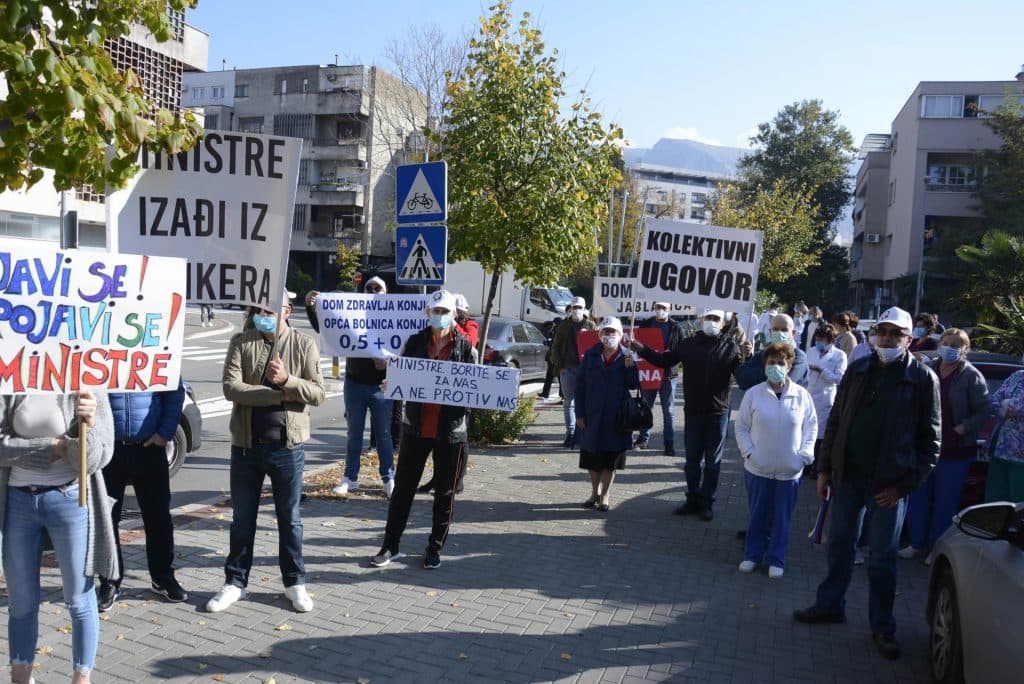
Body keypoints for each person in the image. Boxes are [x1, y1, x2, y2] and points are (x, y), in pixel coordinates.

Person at [793, 306, 939, 661]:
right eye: (883, 333)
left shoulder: (922, 379)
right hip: (848, 477)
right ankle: (830, 605)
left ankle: (883, 627)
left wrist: (904, 487)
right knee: (839, 545)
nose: (887, 339)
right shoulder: (859, 369)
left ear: (908, 339)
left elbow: (931, 444)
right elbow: (838, 420)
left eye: (895, 334)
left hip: (889, 487)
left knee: (881, 559)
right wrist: (826, 469)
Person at [207, 290, 325, 613]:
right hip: (246, 446)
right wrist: (278, 396)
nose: (263, 314)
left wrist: (288, 380)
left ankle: (294, 582)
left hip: (287, 447)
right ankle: (235, 582)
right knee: (242, 518)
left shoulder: (303, 344)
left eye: (270, 309)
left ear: (286, 310)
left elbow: (317, 393)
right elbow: (232, 388)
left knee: (290, 518)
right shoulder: (241, 342)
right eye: (258, 308)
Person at [1, 391, 117, 684]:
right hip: (19, 501)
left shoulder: (88, 383)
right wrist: (52, 446)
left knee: (79, 599)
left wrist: (87, 425)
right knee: (22, 602)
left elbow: (94, 461)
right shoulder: (11, 378)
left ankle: (81, 678)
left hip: (69, 501)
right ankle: (20, 677)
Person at [370, 290, 474, 570]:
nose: (438, 316)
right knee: (403, 491)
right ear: (428, 314)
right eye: (434, 312)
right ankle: (390, 546)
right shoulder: (415, 342)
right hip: (416, 428)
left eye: (443, 312)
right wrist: (390, 384)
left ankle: (434, 548)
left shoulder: (465, 348)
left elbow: (475, 388)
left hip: (450, 432)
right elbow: (400, 375)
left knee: (444, 494)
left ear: (454, 314)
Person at [630, 307, 742, 521]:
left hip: (718, 414)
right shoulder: (689, 344)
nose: (712, 321)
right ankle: (692, 498)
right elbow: (664, 361)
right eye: (708, 317)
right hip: (692, 413)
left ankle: (707, 502)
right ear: (701, 320)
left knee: (712, 462)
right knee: (692, 460)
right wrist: (640, 348)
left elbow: (743, 375)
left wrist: (751, 359)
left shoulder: (731, 347)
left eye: (716, 319)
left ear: (723, 322)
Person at [96, 380, 187, 613]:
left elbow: (175, 393)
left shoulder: (154, 346)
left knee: (158, 517)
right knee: (106, 521)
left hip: (149, 448)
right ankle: (109, 581)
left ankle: (163, 577)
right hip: (109, 451)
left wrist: (165, 433)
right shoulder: (97, 346)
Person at [901, 328, 990, 559]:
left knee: (945, 503)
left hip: (955, 451)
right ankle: (917, 543)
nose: (949, 347)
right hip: (926, 447)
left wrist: (964, 428)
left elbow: (984, 410)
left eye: (955, 344)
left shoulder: (971, 375)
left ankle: (937, 549)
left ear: (965, 349)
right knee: (917, 497)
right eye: (946, 342)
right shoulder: (929, 369)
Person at [305, 277, 396, 498]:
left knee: (384, 434)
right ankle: (350, 478)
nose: (373, 291)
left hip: (382, 386)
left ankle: (388, 478)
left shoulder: (394, 317)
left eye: (378, 289)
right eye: (369, 288)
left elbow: (405, 348)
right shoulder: (351, 313)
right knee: (353, 434)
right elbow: (326, 327)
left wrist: (390, 364)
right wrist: (311, 308)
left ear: (386, 293)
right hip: (355, 383)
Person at [735, 343, 817, 578]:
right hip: (757, 468)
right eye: (771, 362)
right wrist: (749, 452)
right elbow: (741, 427)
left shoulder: (801, 395)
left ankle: (776, 558)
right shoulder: (754, 394)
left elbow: (811, 427)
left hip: (789, 471)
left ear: (790, 366)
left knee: (782, 518)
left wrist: (804, 456)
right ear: (765, 365)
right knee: (757, 514)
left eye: (781, 363)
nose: (776, 367)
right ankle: (752, 555)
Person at [576, 316, 639, 512]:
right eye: (606, 332)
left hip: (616, 418)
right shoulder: (591, 355)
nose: (609, 335)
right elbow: (581, 387)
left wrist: (630, 367)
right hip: (592, 416)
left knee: (610, 460)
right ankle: (594, 492)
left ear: (621, 335)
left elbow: (633, 385)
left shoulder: (627, 357)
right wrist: (580, 413)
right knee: (592, 458)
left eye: (613, 332)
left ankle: (605, 495)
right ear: (600, 334)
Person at [634, 302, 683, 454]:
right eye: (658, 307)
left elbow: (682, 349)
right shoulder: (646, 324)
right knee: (646, 407)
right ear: (654, 308)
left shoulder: (676, 327)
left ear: (669, 310)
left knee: (668, 410)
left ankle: (669, 443)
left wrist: (673, 353)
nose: (661, 311)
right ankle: (643, 438)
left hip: (668, 374)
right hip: (649, 371)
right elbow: (638, 345)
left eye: (664, 308)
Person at [550, 296, 597, 448]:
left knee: (586, 402)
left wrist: (587, 336)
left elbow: (598, 346)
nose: (576, 310)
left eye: (579, 307)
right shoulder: (564, 326)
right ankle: (570, 434)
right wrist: (560, 366)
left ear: (584, 310)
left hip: (586, 371)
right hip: (568, 369)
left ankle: (582, 433)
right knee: (569, 402)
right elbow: (555, 347)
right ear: (570, 309)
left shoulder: (591, 325)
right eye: (574, 307)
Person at [806, 324, 847, 478]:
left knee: (821, 437)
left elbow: (839, 379)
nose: (819, 342)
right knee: (808, 431)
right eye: (817, 339)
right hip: (809, 396)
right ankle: (807, 465)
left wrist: (822, 370)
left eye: (822, 339)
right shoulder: (810, 352)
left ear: (830, 340)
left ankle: (818, 468)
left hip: (825, 399)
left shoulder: (839, 355)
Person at [735, 313, 808, 390]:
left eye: (784, 330)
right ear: (770, 332)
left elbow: (784, 383)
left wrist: (757, 373)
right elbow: (742, 379)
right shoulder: (762, 354)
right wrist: (772, 373)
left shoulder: (799, 357)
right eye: (776, 329)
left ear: (793, 333)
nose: (780, 333)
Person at [985, 368, 1024, 502]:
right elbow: (993, 400)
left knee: (1018, 504)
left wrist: (1006, 403)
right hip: (1000, 449)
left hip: (1021, 456)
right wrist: (1003, 406)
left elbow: (1019, 407)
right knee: (994, 502)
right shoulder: (1017, 375)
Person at [538, 316, 563, 400]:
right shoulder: (558, 330)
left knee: (555, 376)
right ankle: (548, 393)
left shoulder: (556, 330)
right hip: (554, 357)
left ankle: (548, 393)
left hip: (554, 357)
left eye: (554, 323)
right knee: (554, 376)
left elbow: (553, 344)